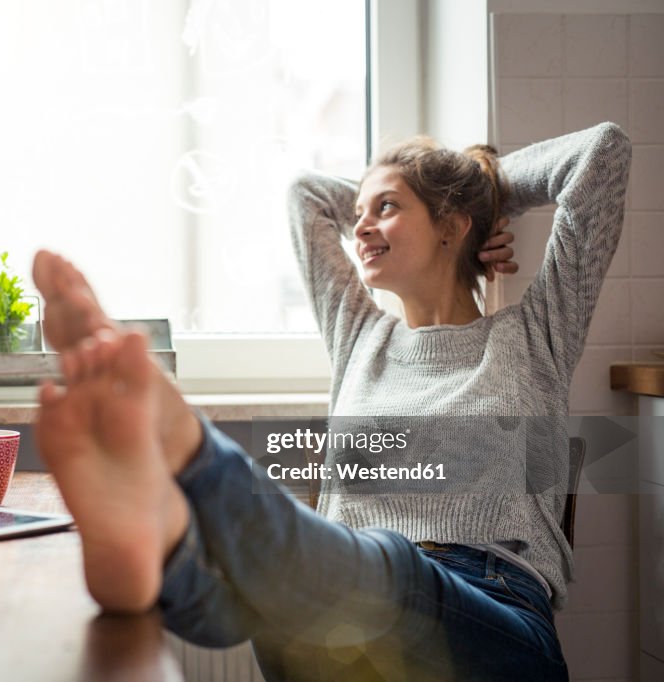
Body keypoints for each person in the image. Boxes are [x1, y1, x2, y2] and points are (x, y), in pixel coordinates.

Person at [32, 122, 632, 681]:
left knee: (384, 572)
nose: (362, 226)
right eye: (360, 212)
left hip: (493, 614)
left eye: (387, 208)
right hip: (342, 608)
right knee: (280, 601)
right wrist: (404, 198)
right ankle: (155, 560)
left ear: (451, 224)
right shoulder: (360, 336)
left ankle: (182, 481)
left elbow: (602, 154)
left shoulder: (533, 336)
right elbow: (306, 197)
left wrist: (486, 191)